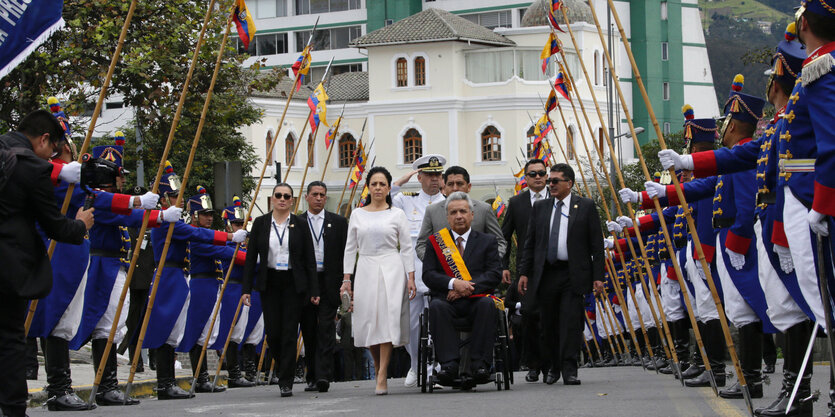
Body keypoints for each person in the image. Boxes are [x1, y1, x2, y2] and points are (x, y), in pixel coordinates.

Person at [67, 134, 177, 406]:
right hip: (103, 264)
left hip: (115, 265)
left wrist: (154, 213)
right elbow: (122, 215)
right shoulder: (98, 199)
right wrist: (157, 214)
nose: (122, 180)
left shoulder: (111, 198)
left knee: (113, 325)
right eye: (118, 176)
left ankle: (108, 385)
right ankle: (106, 385)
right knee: (106, 324)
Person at [0, 109, 94, 417]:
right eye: (53, 150)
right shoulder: (33, 169)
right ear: (43, 140)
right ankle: (14, 409)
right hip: (9, 267)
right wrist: (80, 225)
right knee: (11, 339)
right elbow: (55, 226)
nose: (52, 157)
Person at [144, 163, 246, 400]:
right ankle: (165, 384)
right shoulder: (166, 221)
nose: (178, 200)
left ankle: (169, 383)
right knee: (167, 331)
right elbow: (198, 234)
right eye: (173, 195)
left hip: (177, 276)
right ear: (163, 198)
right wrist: (230, 236)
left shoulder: (173, 221)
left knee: (173, 332)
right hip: (169, 276)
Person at [517, 163, 604, 386]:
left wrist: (598, 276)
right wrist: (524, 273)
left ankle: (569, 368)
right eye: (550, 181)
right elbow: (530, 244)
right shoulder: (541, 208)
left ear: (569, 183)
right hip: (546, 274)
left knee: (570, 323)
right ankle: (552, 367)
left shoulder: (584, 206)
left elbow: (596, 245)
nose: (551, 184)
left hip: (573, 274)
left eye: (556, 181)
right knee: (548, 324)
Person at [340, 166, 416, 395]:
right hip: (366, 268)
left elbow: (406, 247)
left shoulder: (397, 214)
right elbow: (350, 248)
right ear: (368, 187)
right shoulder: (357, 214)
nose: (378, 188)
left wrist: (410, 276)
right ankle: (376, 363)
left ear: (389, 187)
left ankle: (382, 373)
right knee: (367, 321)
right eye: (374, 183)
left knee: (386, 319)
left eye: (382, 184)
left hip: (392, 268)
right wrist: (346, 279)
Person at [241, 183, 318, 398]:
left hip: (294, 283)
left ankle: (286, 380)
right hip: (270, 281)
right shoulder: (261, 223)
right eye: (278, 195)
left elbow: (309, 259)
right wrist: (246, 288)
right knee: (273, 332)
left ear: (292, 200)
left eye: (287, 196)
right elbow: (250, 258)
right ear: (272, 199)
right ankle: (283, 363)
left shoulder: (301, 224)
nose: (282, 199)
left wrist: (314, 289)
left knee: (289, 332)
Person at [422, 192, 502, 387]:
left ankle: (480, 365)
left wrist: (465, 287)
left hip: (477, 300)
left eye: (463, 211)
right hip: (447, 301)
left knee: (487, 304)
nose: (459, 216)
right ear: (447, 217)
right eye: (454, 212)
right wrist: (452, 283)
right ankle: (448, 365)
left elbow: (494, 274)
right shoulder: (435, 242)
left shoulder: (487, 241)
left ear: (472, 215)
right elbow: (429, 275)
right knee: (437, 308)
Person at [390, 154, 445, 388]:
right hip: (413, 272)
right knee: (411, 325)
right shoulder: (407, 200)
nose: (434, 180)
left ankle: (436, 368)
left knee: (438, 323)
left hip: (441, 273)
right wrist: (403, 179)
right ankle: (415, 364)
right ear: (420, 177)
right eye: (429, 175)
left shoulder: (449, 203)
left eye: (438, 175)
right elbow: (384, 194)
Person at [501, 159, 549, 382]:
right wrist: (503, 267)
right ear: (526, 178)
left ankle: (552, 364)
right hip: (525, 271)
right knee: (528, 317)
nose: (538, 177)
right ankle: (533, 364)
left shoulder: (556, 198)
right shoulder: (517, 203)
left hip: (553, 267)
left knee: (550, 317)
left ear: (547, 175)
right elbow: (505, 236)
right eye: (533, 174)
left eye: (541, 173)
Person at [298, 181, 348, 393]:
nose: (319, 198)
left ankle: (323, 376)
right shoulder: (297, 222)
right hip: (307, 282)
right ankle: (311, 375)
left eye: (322, 195)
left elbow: (346, 252)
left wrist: (347, 281)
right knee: (309, 330)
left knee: (326, 329)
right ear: (307, 197)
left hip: (329, 282)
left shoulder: (338, 222)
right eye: (315, 194)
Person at [210, 196, 259, 389]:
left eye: (242, 223)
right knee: (231, 330)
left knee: (240, 331)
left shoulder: (246, 245)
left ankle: (246, 371)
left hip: (244, 288)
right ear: (227, 224)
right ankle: (233, 373)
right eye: (236, 223)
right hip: (231, 287)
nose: (240, 227)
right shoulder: (224, 243)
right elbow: (242, 259)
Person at [415, 165, 506, 261]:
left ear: (469, 187)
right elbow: (421, 244)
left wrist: (489, 263)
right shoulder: (432, 211)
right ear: (444, 188)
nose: (455, 188)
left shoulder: (484, 209)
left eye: (459, 184)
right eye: (450, 184)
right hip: (444, 274)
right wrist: (434, 264)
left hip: (478, 274)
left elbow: (500, 242)